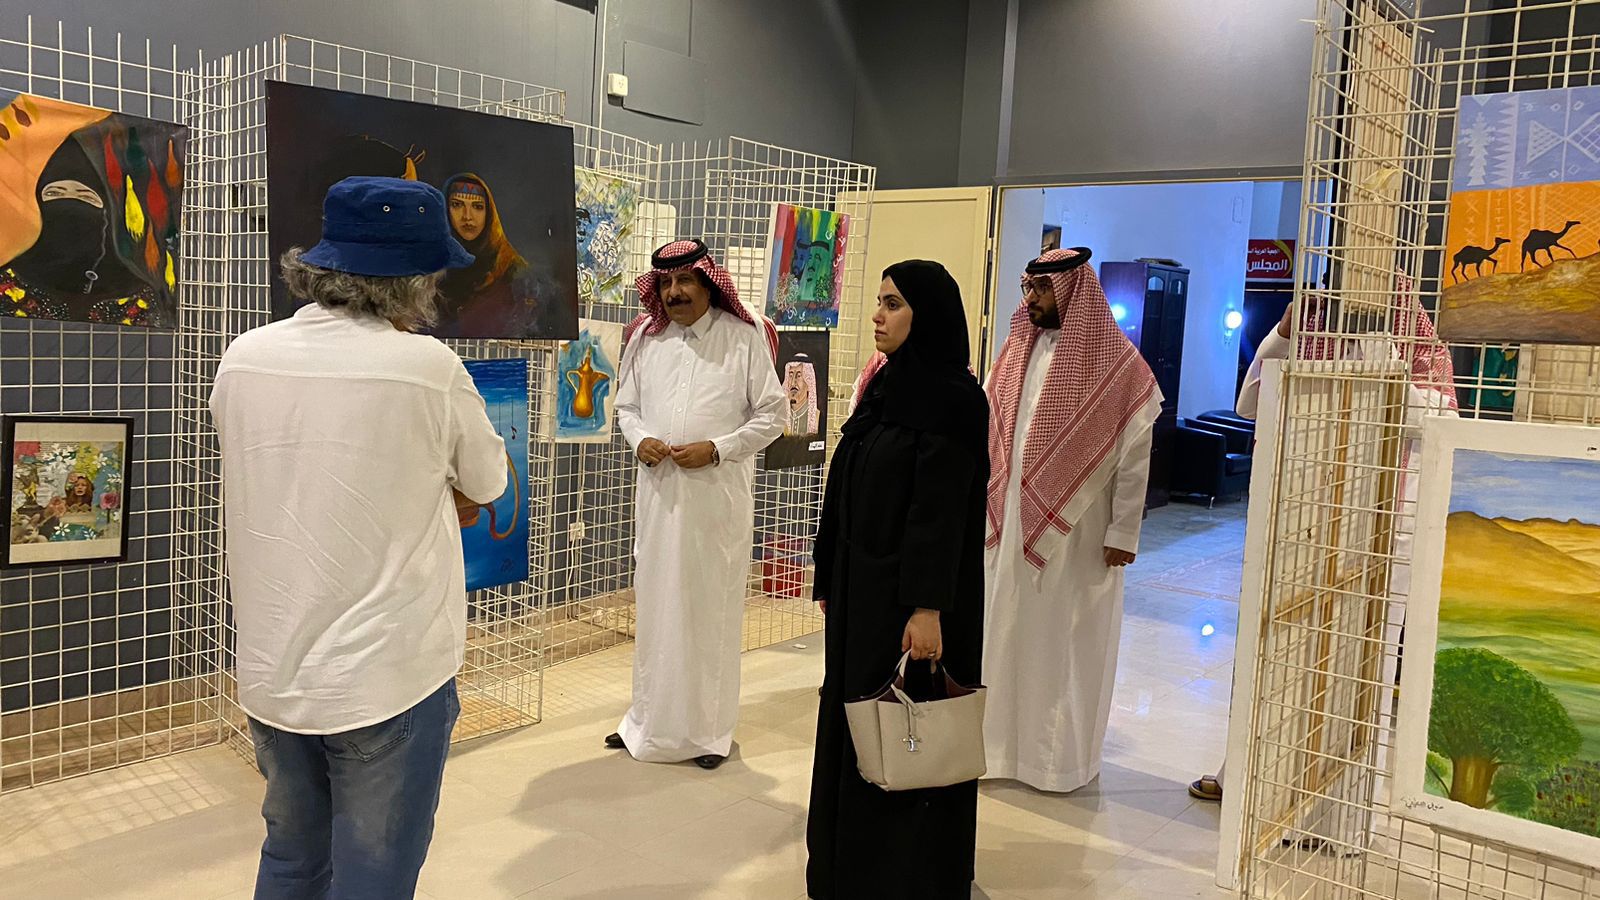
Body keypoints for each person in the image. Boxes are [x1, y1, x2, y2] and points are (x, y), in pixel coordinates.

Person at [210, 176, 508, 899]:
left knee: (291, 858)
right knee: (374, 875)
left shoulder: (243, 354)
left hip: (274, 666)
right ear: (417, 279)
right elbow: (488, 481)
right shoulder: (427, 368)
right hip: (388, 672)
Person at [1189, 280, 1457, 805]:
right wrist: (1286, 332)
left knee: (1361, 666)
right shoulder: (1312, 339)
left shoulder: (1423, 351)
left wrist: (1386, 367)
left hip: (1382, 533)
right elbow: (1251, 403)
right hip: (1305, 522)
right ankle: (1246, 777)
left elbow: (1439, 425)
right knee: (1276, 651)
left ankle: (1338, 808)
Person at [806, 260, 990, 900]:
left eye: (893, 304)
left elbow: (939, 514)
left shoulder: (955, 399)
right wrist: (829, 575)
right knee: (858, 725)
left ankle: (907, 880)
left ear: (926, 315)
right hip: (863, 598)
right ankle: (846, 872)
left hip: (911, 606)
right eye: (879, 302)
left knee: (908, 731)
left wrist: (928, 609)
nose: (878, 316)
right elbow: (846, 484)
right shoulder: (885, 387)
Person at [982, 247, 1163, 794]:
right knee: (1003, 634)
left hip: (1079, 535)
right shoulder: (1016, 349)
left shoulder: (1118, 365)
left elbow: (1134, 457)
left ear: (1072, 292)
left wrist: (1123, 531)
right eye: (1029, 288)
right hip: (1009, 527)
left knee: (1064, 644)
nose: (1032, 299)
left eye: (1042, 289)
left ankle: (1054, 762)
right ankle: (995, 750)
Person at [608, 239, 786, 770]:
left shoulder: (742, 337)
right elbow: (626, 406)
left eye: (685, 280)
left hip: (715, 504)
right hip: (659, 499)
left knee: (708, 615)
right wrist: (639, 439)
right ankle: (645, 722)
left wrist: (718, 448)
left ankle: (708, 734)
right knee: (655, 608)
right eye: (665, 283)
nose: (675, 292)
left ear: (709, 283)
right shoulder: (646, 338)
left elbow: (774, 415)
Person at [436, 173, 538, 338]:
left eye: (477, 207)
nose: (467, 216)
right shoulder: (431, 265)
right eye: (457, 205)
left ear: (489, 212)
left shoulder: (512, 269)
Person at [784, 355, 821, 437]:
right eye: (790, 376)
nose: (793, 383)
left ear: (809, 383)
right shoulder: (781, 417)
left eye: (798, 376)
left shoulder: (817, 417)